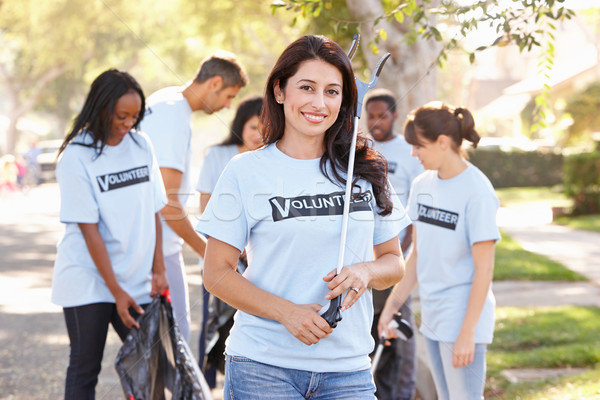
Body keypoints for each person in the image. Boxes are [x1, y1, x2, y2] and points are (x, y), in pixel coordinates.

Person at [197, 34, 410, 400]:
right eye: (307, 87)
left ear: (345, 100)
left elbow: (394, 263)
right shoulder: (246, 171)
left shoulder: (365, 170)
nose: (319, 103)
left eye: (332, 91)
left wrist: (365, 271)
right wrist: (286, 313)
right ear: (280, 91)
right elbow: (216, 274)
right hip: (262, 367)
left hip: (348, 370)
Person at [51, 69, 169, 399]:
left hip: (135, 279)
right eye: (121, 116)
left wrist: (158, 269)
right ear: (101, 108)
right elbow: (89, 231)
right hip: (88, 278)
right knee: (85, 367)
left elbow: (154, 210)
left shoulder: (141, 145)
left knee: (150, 369)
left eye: (135, 115)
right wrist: (116, 291)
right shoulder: (77, 155)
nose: (128, 123)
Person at [378, 101, 499, 400]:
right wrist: (391, 307)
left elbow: (485, 270)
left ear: (442, 143)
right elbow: (417, 255)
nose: (412, 154)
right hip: (432, 315)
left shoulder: (478, 191)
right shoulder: (421, 185)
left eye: (418, 146)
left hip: (463, 319)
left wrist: (467, 333)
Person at [139, 51, 248, 342]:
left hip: (145, 243)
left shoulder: (165, 100)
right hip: (156, 248)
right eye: (229, 96)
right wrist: (207, 252)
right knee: (179, 343)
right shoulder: (173, 115)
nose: (228, 106)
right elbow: (168, 202)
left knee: (161, 347)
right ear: (214, 83)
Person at [196, 95, 263, 387]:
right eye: (253, 127)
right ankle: (205, 382)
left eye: (266, 127)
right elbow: (206, 206)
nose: (259, 135)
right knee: (214, 321)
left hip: (257, 259)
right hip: (223, 254)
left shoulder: (270, 158)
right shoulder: (218, 156)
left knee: (249, 318)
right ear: (240, 125)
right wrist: (235, 250)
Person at [365, 89, 423, 400]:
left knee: (400, 332)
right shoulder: (360, 151)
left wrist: (404, 252)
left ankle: (403, 393)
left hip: (396, 258)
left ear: (394, 116)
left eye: (382, 115)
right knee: (374, 329)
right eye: (371, 115)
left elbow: (413, 216)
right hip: (366, 263)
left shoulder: (407, 152)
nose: (376, 122)